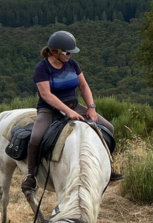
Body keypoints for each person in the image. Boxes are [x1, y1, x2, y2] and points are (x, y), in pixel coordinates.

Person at [21, 30, 123, 191]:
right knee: (36, 137)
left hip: (74, 105)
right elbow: (46, 95)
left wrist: (91, 108)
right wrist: (67, 112)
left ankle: (108, 167)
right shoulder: (42, 68)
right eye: (67, 52)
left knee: (108, 128)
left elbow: (83, 86)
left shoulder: (72, 64)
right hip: (49, 109)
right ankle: (31, 175)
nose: (70, 56)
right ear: (54, 52)